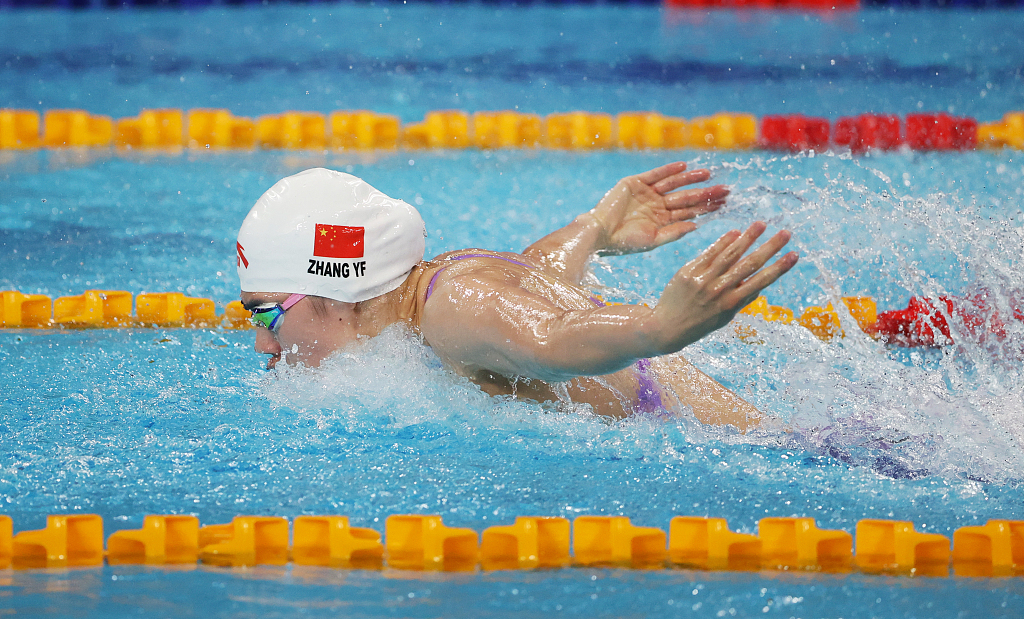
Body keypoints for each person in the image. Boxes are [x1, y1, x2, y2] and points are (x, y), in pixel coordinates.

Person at [236, 164, 798, 430]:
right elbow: (535, 272)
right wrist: (594, 228)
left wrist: (655, 328)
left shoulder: (451, 308)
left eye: (265, 311)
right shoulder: (447, 284)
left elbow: (549, 339)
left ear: (335, 289)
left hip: (766, 451)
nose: (263, 342)